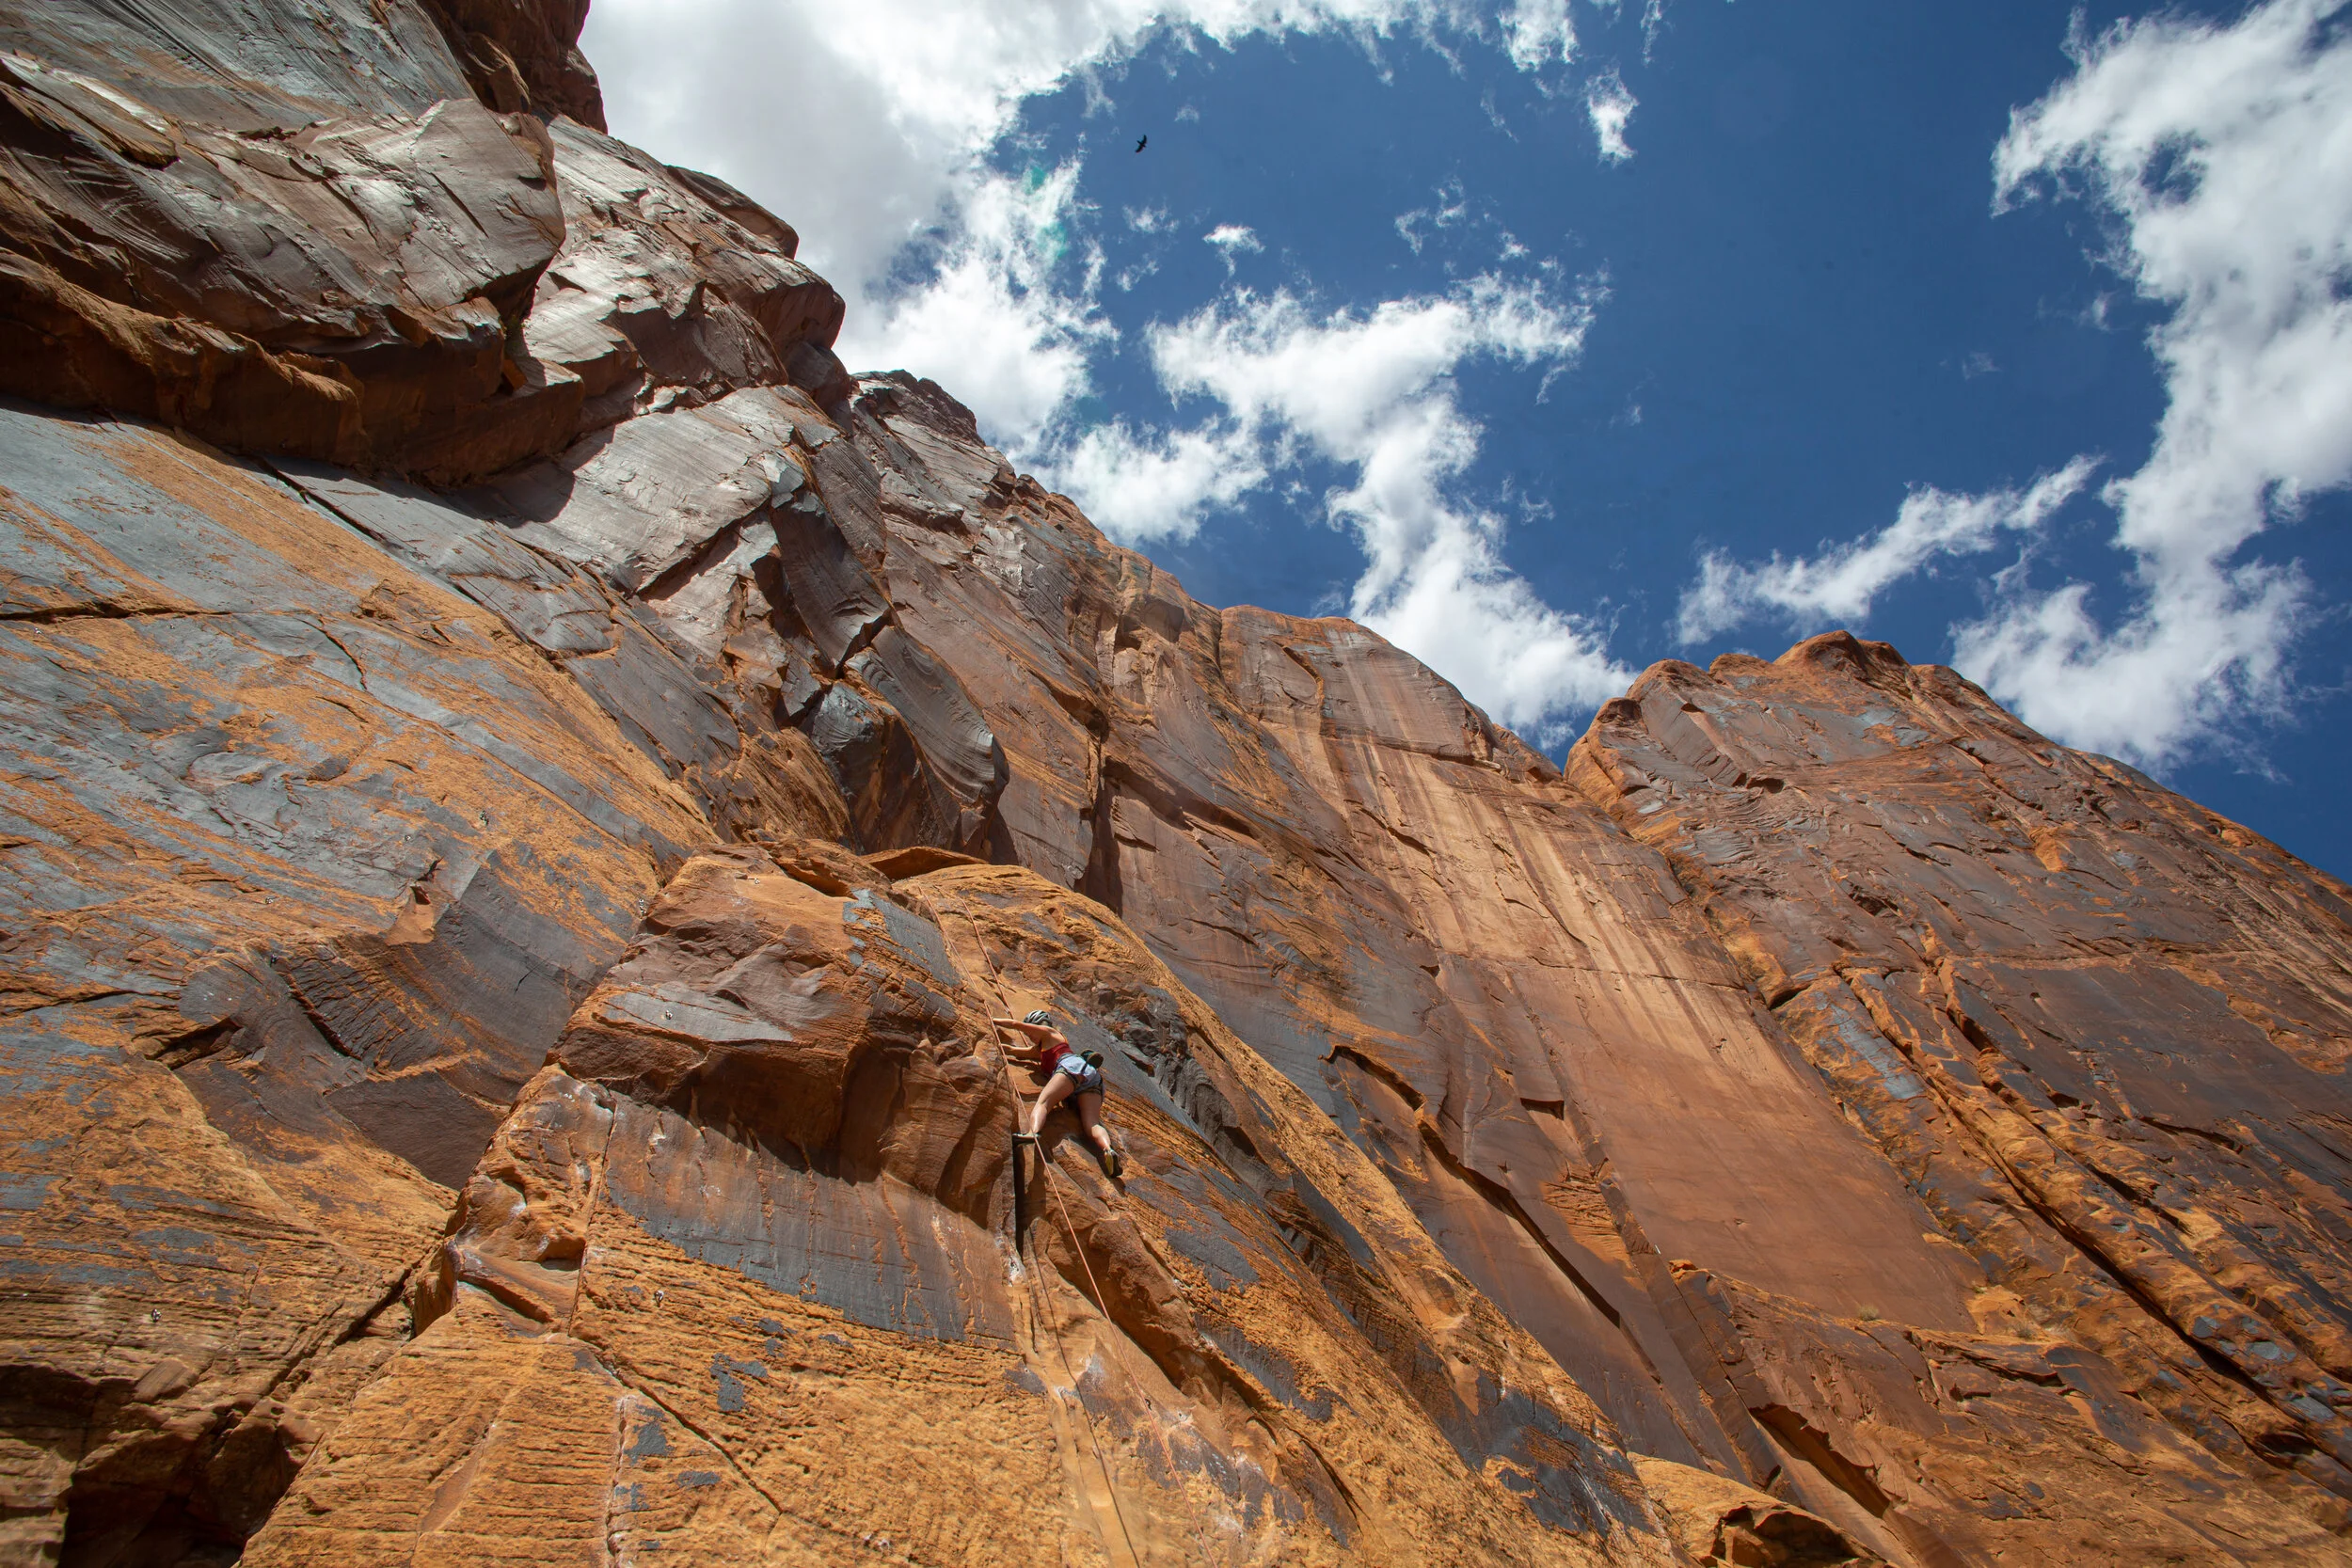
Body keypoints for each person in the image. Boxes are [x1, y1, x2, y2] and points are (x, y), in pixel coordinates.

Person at [993, 1009, 1121, 1178]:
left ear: (1038, 1026)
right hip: (1090, 1077)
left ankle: (1033, 1133)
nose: (1030, 1036)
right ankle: (1108, 1150)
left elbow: (1016, 1025)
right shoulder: (1040, 1050)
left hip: (1070, 1068)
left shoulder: (1050, 1033)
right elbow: (1014, 1051)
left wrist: (992, 1020)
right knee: (1091, 1124)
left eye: (1031, 1032)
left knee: (1043, 1103)